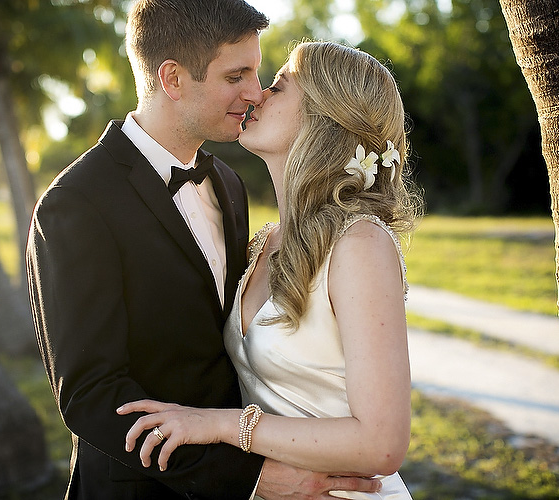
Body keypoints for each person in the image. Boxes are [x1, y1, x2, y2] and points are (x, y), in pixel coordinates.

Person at [27, 0, 383, 497]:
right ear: (172, 79)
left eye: (257, 73)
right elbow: (91, 395)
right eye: (236, 76)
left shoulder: (228, 183)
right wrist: (252, 479)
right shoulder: (76, 204)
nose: (255, 92)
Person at [117, 41, 423, 499]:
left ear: (324, 116)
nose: (256, 95)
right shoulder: (262, 241)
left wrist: (219, 426)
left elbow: (381, 444)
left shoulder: (360, 244)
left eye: (278, 86)